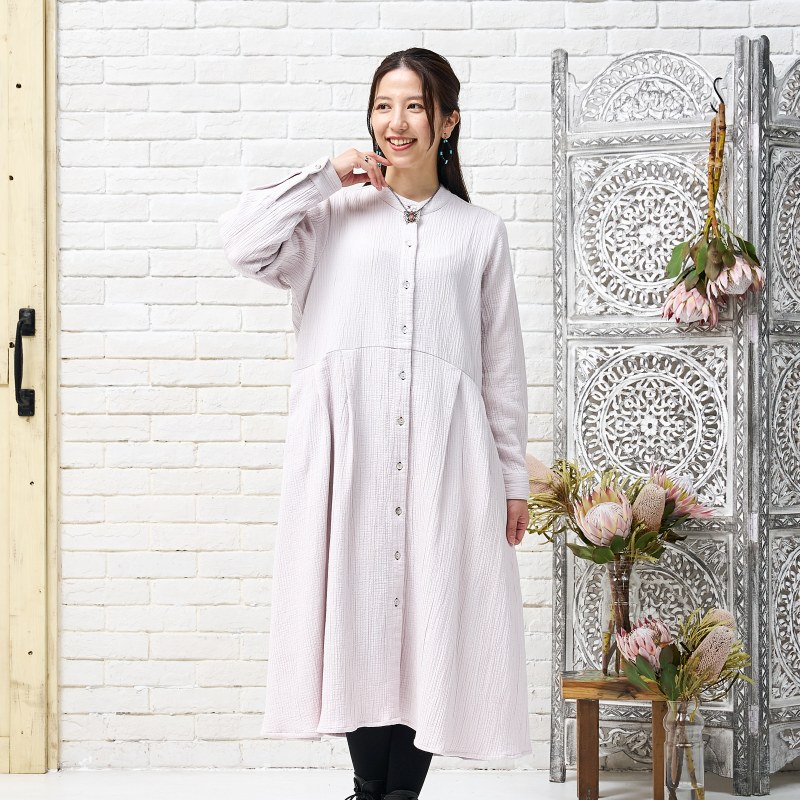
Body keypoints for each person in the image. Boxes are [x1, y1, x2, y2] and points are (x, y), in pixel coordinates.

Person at [218, 47, 531, 800]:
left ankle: (396, 796)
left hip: (446, 462)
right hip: (348, 456)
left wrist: (513, 477)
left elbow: (501, 368)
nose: (397, 122)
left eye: (415, 105)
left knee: (429, 620)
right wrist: (326, 175)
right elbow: (242, 244)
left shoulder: (479, 232)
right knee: (359, 617)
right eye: (384, 105)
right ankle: (370, 789)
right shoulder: (330, 218)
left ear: (447, 122)